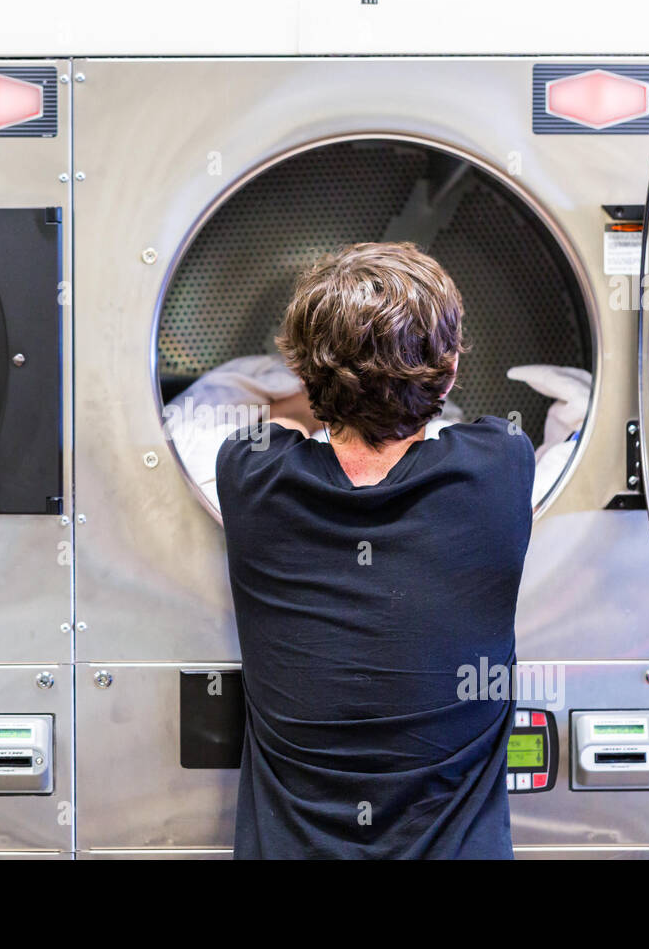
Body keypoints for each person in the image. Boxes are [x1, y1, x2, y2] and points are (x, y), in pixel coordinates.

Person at [215, 241, 534, 859]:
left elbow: (271, 419)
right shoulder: (499, 466)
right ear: (449, 369)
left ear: (304, 374)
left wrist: (330, 389)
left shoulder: (250, 474)